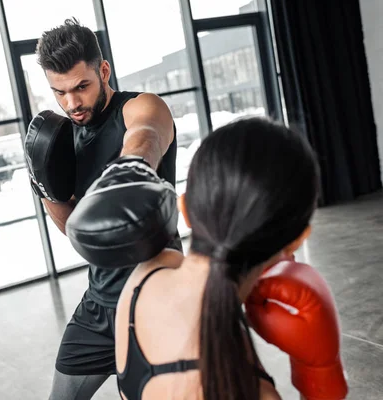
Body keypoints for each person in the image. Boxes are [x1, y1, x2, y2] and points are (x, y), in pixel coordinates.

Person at [113, 118, 349, 399]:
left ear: (185, 209)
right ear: (297, 239)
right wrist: (320, 373)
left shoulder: (147, 275)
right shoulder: (252, 392)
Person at [26, 18, 183, 399]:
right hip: (99, 304)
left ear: (104, 70)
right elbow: (77, 231)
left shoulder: (140, 107)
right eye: (59, 93)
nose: (71, 103)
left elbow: (146, 134)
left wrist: (131, 166)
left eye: (81, 86)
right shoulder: (63, 141)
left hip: (157, 298)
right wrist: (46, 187)